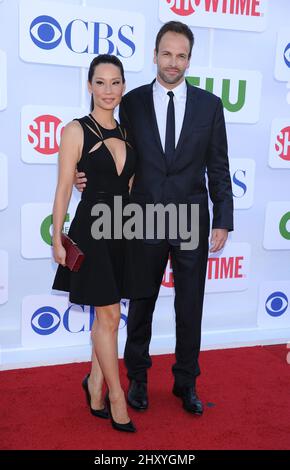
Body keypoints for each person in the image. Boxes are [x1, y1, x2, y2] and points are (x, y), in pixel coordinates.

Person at [75, 22, 234, 416]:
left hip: (191, 219)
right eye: (167, 54)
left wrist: (223, 219)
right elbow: (109, 147)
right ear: (154, 55)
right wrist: (84, 176)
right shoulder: (132, 103)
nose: (173, 62)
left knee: (190, 305)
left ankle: (186, 382)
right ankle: (138, 381)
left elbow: (218, 166)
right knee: (141, 303)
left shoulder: (210, 106)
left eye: (181, 55)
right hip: (143, 217)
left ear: (189, 59)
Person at [52, 54, 153, 433]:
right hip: (92, 230)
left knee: (106, 319)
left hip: (123, 229)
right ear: (90, 86)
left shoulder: (129, 133)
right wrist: (56, 237)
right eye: (100, 82)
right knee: (109, 317)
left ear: (123, 86)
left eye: (115, 82)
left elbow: (128, 186)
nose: (108, 90)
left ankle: (94, 383)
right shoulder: (75, 130)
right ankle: (115, 396)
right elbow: (64, 187)